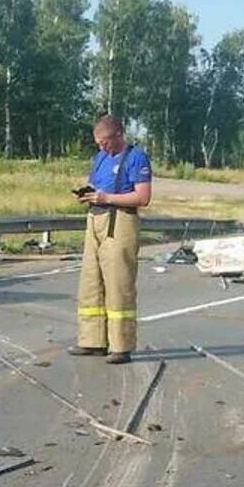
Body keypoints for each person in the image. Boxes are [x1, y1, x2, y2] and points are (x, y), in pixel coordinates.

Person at [72, 113, 152, 363]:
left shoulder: (136, 157)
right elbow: (97, 186)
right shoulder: (99, 158)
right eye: (98, 142)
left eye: (105, 142)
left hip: (121, 220)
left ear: (119, 134)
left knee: (118, 284)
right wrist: (89, 195)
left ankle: (120, 345)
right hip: (95, 219)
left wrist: (107, 198)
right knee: (90, 282)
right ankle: (92, 340)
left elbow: (142, 197)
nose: (102, 146)